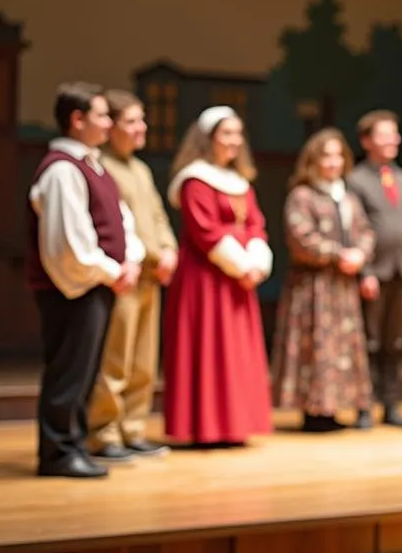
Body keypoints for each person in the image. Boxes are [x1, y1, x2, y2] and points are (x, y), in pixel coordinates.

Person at [25, 82, 145, 479]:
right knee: (68, 372)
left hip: (96, 285)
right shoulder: (62, 170)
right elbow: (69, 245)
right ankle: (58, 451)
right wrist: (112, 272)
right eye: (101, 115)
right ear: (76, 121)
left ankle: (72, 444)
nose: (109, 123)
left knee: (85, 371)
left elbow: (122, 220)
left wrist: (130, 260)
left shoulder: (93, 165)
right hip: (72, 288)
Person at [162, 106, 274, 446]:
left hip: (238, 280)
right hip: (207, 279)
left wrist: (255, 263)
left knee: (235, 350)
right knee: (210, 348)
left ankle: (234, 424)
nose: (234, 141)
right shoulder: (195, 180)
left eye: (238, 134)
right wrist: (241, 266)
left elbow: (255, 223)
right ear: (207, 139)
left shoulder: (241, 182)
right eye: (226, 134)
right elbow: (205, 231)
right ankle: (206, 426)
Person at [87, 89, 177, 461]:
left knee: (143, 359)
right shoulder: (101, 166)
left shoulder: (139, 168)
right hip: (124, 274)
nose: (142, 128)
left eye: (142, 120)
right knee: (115, 358)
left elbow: (156, 215)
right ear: (111, 127)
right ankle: (104, 432)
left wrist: (169, 248)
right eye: (132, 121)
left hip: (151, 275)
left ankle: (133, 428)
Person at [271, 129, 375, 432]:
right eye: (325, 155)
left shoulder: (349, 197)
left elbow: (366, 231)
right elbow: (301, 237)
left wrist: (360, 254)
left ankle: (334, 407)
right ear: (312, 160)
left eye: (337, 155)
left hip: (343, 285)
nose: (332, 162)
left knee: (341, 347)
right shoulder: (302, 196)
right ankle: (313, 410)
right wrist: (337, 254)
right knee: (315, 344)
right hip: (313, 286)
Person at [346, 110, 402, 429]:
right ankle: (364, 405)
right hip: (373, 272)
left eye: (395, 134)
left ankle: (391, 403)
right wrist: (364, 270)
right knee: (369, 340)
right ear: (366, 141)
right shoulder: (355, 180)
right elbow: (354, 227)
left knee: (396, 341)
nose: (392, 141)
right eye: (384, 135)